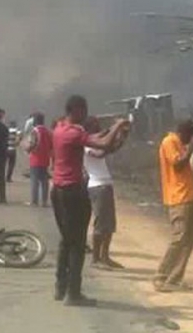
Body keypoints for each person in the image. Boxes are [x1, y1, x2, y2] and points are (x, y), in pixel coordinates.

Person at [51, 95, 129, 307]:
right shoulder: (74, 132)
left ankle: (60, 287)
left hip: (58, 190)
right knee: (77, 244)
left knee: (66, 240)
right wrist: (117, 126)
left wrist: (110, 130)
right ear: (76, 109)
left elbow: (93, 137)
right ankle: (73, 293)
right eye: (83, 110)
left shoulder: (59, 128)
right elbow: (103, 144)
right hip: (73, 191)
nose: (85, 115)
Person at [153, 119, 193, 293]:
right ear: (184, 133)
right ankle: (161, 276)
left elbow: (190, 166)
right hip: (178, 197)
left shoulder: (182, 145)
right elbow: (178, 165)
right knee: (178, 239)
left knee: (189, 240)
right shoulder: (169, 141)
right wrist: (192, 144)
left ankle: (175, 278)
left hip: (190, 195)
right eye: (190, 136)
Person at [83, 117, 123, 269]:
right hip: (97, 185)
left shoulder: (95, 142)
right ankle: (96, 259)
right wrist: (115, 128)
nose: (98, 128)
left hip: (104, 184)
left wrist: (121, 134)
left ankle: (104, 256)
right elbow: (100, 153)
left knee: (109, 224)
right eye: (95, 126)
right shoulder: (86, 144)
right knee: (100, 224)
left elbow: (111, 148)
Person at [27, 113, 52, 207]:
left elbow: (32, 144)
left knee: (34, 180)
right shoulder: (48, 131)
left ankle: (34, 201)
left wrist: (27, 149)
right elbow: (51, 145)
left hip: (35, 159)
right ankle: (44, 201)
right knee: (44, 181)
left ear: (35, 121)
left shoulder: (34, 131)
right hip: (45, 159)